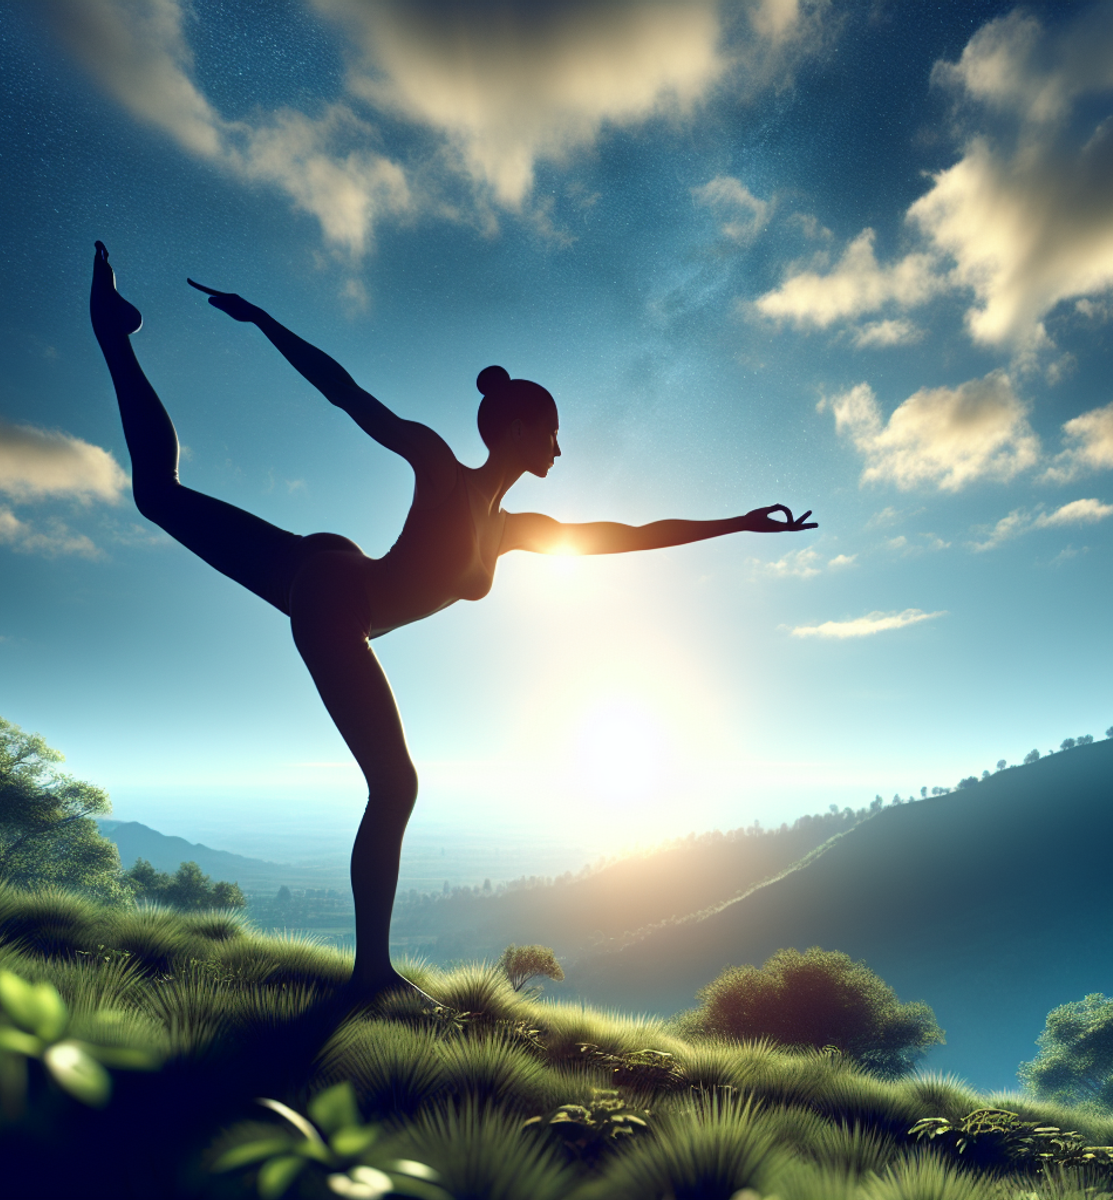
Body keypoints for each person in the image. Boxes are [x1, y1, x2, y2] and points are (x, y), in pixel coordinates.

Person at [89, 241, 817, 1005]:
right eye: (552, 433)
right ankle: (371, 976)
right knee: (396, 782)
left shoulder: (515, 527)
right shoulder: (440, 467)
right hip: (338, 598)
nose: (560, 448)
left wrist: (738, 523)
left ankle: (113, 334)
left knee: (159, 496)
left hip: (338, 575)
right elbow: (347, 394)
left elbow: (626, 534)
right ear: (517, 431)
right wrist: (263, 319)